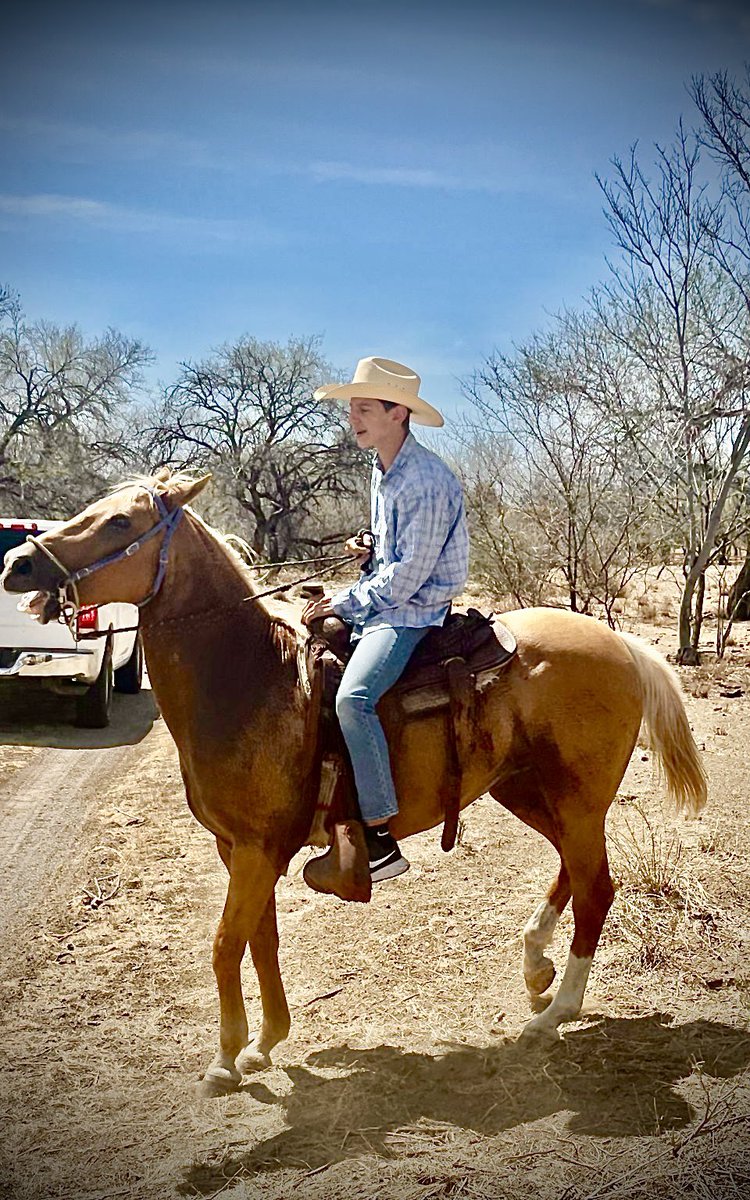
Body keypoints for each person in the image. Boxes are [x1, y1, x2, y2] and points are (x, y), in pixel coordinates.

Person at [302, 356, 469, 884]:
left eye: (366, 408)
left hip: (412, 611)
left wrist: (345, 601)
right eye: (352, 407)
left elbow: (411, 576)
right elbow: (392, 553)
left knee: (353, 699)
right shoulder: (382, 470)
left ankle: (378, 839)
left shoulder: (424, 479)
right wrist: (368, 546)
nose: (354, 417)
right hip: (388, 599)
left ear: (399, 413)